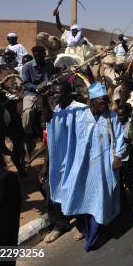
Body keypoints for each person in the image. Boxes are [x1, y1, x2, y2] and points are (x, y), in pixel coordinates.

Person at [44, 82, 126, 250]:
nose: (104, 103)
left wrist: (118, 156)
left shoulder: (112, 117)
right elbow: (53, 121)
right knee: (80, 195)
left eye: (106, 100)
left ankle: (98, 233)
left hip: (104, 167)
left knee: (101, 199)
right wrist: (43, 99)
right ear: (92, 101)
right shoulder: (79, 115)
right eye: (100, 100)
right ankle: (83, 227)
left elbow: (119, 140)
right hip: (81, 165)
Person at [39, 81, 85, 243]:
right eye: (53, 93)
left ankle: (81, 224)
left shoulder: (80, 109)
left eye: (58, 93)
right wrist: (46, 165)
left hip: (76, 160)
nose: (55, 96)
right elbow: (50, 127)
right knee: (51, 189)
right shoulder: (57, 110)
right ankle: (60, 224)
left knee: (77, 191)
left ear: (68, 93)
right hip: (59, 161)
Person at [21, 46, 55, 156]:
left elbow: (52, 78)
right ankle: (28, 136)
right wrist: (36, 88)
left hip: (47, 93)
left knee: (57, 111)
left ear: (44, 54)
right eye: (36, 56)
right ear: (34, 56)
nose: (38, 58)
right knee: (28, 112)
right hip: (31, 93)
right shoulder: (27, 67)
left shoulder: (50, 65)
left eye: (41, 55)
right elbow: (25, 83)